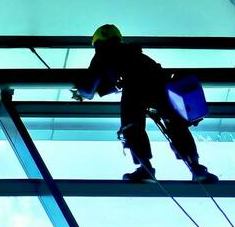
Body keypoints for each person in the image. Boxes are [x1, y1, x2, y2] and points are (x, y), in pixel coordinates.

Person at [71, 24, 218, 183]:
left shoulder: (103, 54)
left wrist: (79, 90)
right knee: (176, 126)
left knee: (132, 126)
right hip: (162, 88)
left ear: (98, 42)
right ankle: (196, 167)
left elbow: (88, 88)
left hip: (135, 90)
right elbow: (120, 79)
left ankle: (145, 168)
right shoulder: (134, 53)